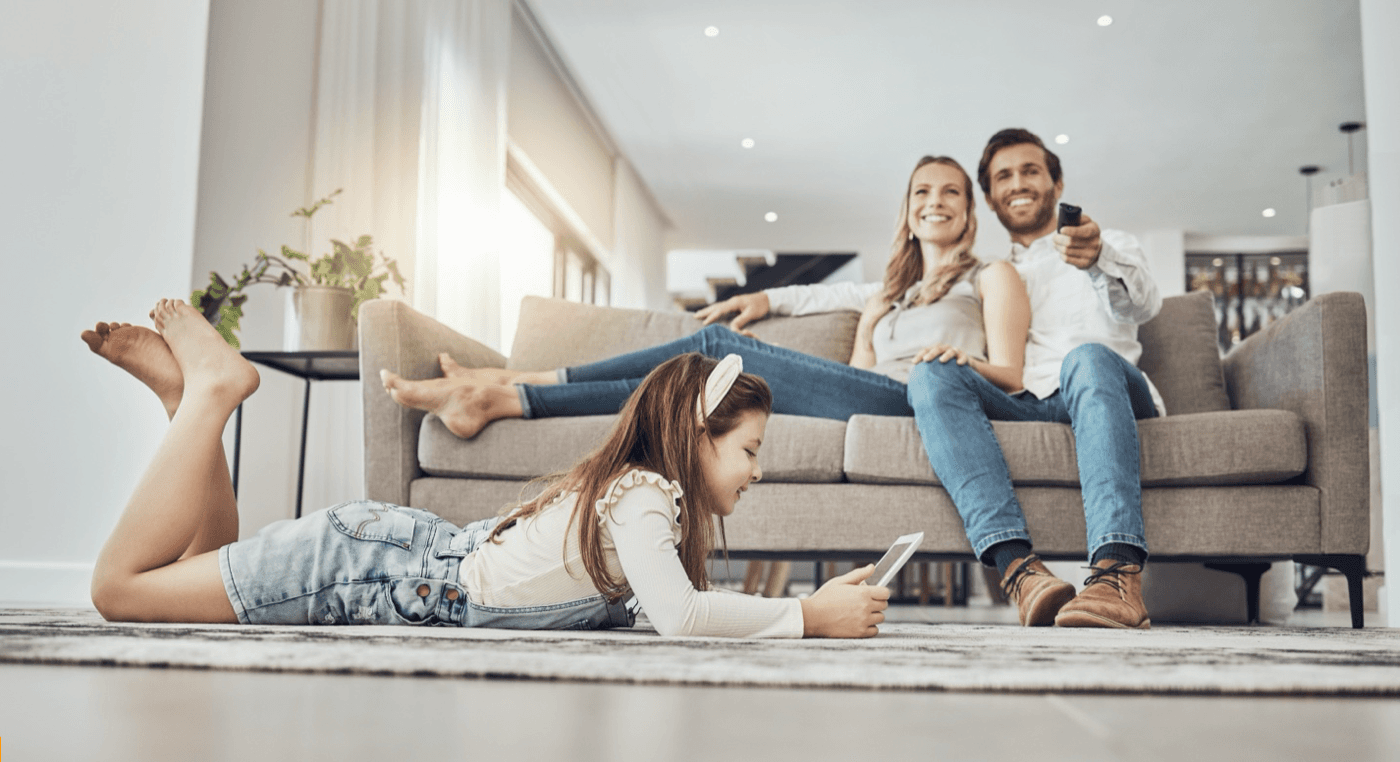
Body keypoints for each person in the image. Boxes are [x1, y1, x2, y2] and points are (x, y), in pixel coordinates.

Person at [80, 303, 888, 637]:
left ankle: (183, 402)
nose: (756, 473)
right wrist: (807, 616)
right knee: (121, 592)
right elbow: (682, 616)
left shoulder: (646, 505)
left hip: (394, 554)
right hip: (361, 565)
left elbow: (664, 605)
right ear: (693, 436)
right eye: (748, 451)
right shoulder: (644, 495)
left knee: (190, 574)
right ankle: (212, 396)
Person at [380, 155, 1030, 440]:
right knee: (690, 381)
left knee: (718, 348)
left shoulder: (990, 276)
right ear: (909, 211)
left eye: (949, 192)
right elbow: (855, 379)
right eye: (922, 191)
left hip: (929, 400)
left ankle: (518, 379)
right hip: (868, 399)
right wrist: (806, 312)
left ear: (969, 212)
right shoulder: (886, 295)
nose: (935, 201)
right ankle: (499, 396)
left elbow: (1013, 376)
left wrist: (960, 361)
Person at [908, 128, 1164, 629]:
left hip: (1106, 389)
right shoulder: (990, 273)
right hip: (1030, 399)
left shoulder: (1106, 244)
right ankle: (1022, 573)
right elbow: (872, 293)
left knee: (1085, 357)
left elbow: (1145, 304)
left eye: (1030, 171)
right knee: (933, 372)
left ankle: (1116, 574)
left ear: (1056, 181)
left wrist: (1099, 259)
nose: (1017, 183)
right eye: (1003, 176)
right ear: (989, 197)